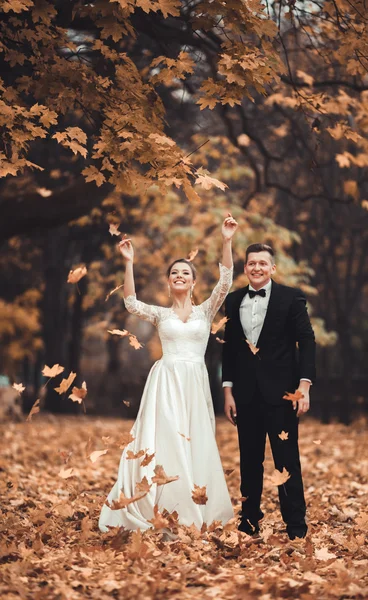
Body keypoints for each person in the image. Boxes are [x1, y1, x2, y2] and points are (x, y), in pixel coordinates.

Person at [99, 214, 238, 534]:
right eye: (174, 272)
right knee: (168, 440)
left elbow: (227, 281)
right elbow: (131, 303)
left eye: (185, 273)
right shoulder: (161, 314)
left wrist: (227, 241)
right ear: (169, 281)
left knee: (195, 440)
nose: (179, 275)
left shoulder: (206, 310)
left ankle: (193, 504)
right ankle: (158, 505)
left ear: (192, 282)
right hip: (166, 381)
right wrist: (129, 261)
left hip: (195, 381)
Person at [222, 243, 316, 540]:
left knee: (286, 460)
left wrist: (304, 385)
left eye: (263, 263)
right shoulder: (234, 299)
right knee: (249, 461)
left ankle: (296, 527)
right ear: (246, 268)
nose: (257, 268)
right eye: (252, 264)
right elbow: (230, 351)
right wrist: (228, 391)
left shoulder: (291, 298)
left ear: (272, 268)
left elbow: (308, 342)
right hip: (246, 396)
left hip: (283, 396)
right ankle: (249, 522)